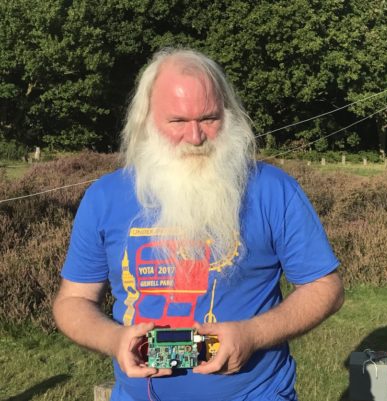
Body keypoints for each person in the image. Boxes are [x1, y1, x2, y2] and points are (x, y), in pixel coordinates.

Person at [52, 47, 344, 401]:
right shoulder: (105, 197)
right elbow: (74, 301)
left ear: (228, 112)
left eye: (208, 118)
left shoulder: (272, 189)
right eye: (177, 121)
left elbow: (325, 287)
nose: (195, 137)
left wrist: (252, 335)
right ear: (145, 119)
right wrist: (114, 340)